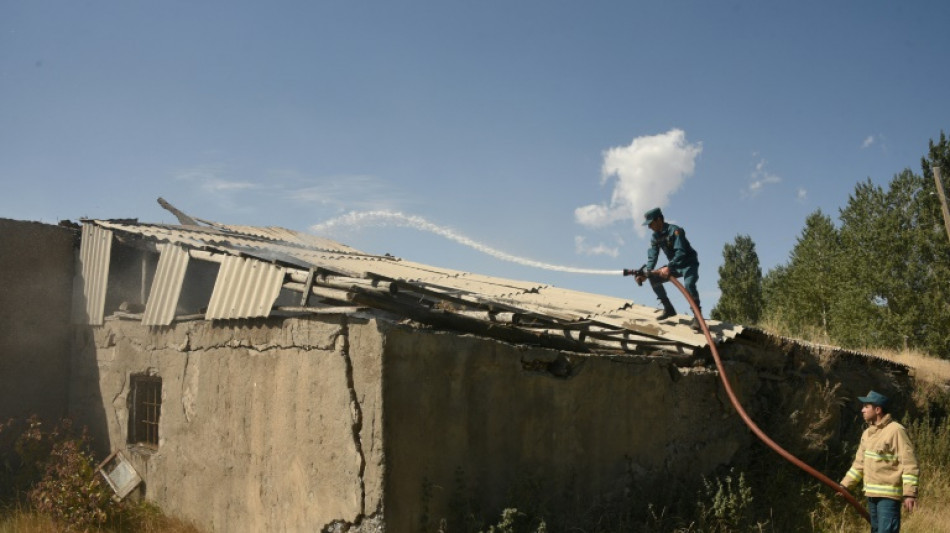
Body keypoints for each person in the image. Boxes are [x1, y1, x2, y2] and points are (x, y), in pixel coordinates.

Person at [840, 390, 919, 533]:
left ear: (877, 410)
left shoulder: (895, 431)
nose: (862, 410)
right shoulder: (867, 433)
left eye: (866, 406)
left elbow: (909, 463)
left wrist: (910, 493)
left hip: (888, 499)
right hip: (871, 495)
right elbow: (859, 465)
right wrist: (845, 486)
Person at [631, 207, 702, 331]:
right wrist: (646, 273)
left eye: (651, 224)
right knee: (653, 277)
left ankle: (697, 317)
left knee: (689, 285)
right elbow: (652, 257)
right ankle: (668, 308)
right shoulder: (655, 237)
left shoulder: (675, 231)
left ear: (659, 220)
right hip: (674, 266)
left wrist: (669, 267)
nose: (649, 227)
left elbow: (681, 252)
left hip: (688, 264)